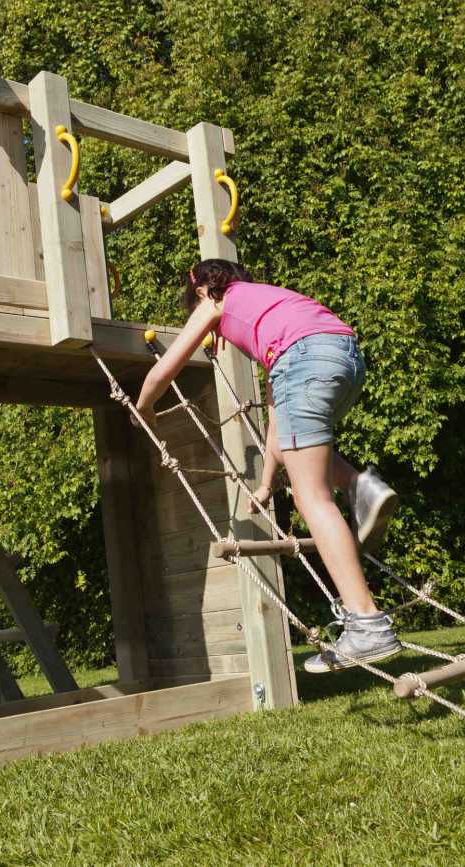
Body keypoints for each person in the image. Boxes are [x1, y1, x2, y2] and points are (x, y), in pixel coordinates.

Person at [132, 259, 400, 673]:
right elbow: (281, 427)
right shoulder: (276, 308)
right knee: (307, 453)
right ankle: (363, 485)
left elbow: (164, 370)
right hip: (345, 357)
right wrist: (266, 484)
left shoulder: (217, 302)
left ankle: (368, 624)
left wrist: (143, 410)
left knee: (312, 498)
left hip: (303, 365)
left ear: (203, 289)